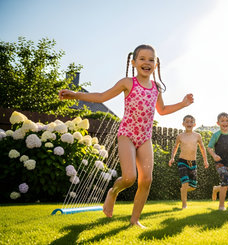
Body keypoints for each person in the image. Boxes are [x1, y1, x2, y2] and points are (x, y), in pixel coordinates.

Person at [59, 44, 194, 228]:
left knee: (146, 179)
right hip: (127, 135)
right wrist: (75, 95)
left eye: (151, 59)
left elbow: (161, 110)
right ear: (134, 62)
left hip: (145, 137)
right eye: (142, 59)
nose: (147, 62)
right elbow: (101, 97)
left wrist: (183, 103)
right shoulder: (127, 83)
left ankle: (134, 220)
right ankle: (113, 192)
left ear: (156, 64)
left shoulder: (156, 88)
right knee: (129, 178)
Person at [168, 115, 209, 209]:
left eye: (191, 122)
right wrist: (172, 158)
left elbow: (202, 148)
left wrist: (205, 161)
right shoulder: (180, 136)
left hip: (193, 162)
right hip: (182, 161)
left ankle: (183, 189)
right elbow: (175, 147)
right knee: (185, 182)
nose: (189, 124)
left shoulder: (197, 136)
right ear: (183, 124)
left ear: (194, 124)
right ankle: (184, 205)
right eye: (187, 122)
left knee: (193, 186)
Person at [207, 112, 228, 210]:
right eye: (222, 121)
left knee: (227, 182)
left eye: (227, 121)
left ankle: (216, 189)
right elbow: (209, 148)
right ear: (218, 123)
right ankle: (221, 206)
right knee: (226, 180)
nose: (225, 123)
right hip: (220, 163)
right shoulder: (216, 135)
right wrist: (214, 155)